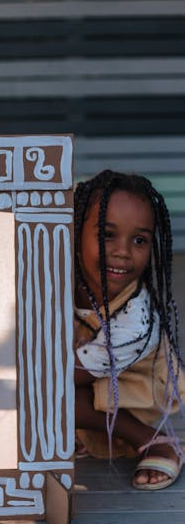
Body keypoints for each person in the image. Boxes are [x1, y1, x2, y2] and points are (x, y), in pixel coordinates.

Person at [74, 169, 185, 490]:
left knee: (55, 396)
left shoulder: (136, 320)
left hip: (136, 389)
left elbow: (59, 378)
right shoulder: (59, 276)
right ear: (75, 230)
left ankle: (157, 441)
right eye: (107, 234)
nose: (123, 251)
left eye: (139, 240)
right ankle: (75, 433)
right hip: (90, 374)